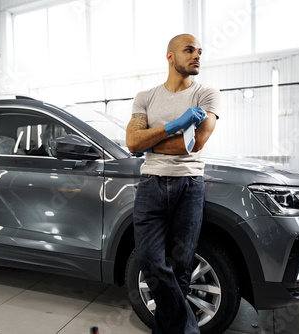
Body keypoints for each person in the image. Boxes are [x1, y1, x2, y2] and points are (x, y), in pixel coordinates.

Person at [126, 34, 220, 334]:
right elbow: (131, 142)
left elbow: (194, 145)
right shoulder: (146, 97)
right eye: (189, 50)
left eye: (200, 52)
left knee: (180, 268)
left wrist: (150, 142)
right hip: (151, 185)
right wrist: (173, 126)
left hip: (189, 187)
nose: (197, 56)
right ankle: (189, 331)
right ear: (170, 56)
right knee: (150, 262)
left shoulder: (207, 94)